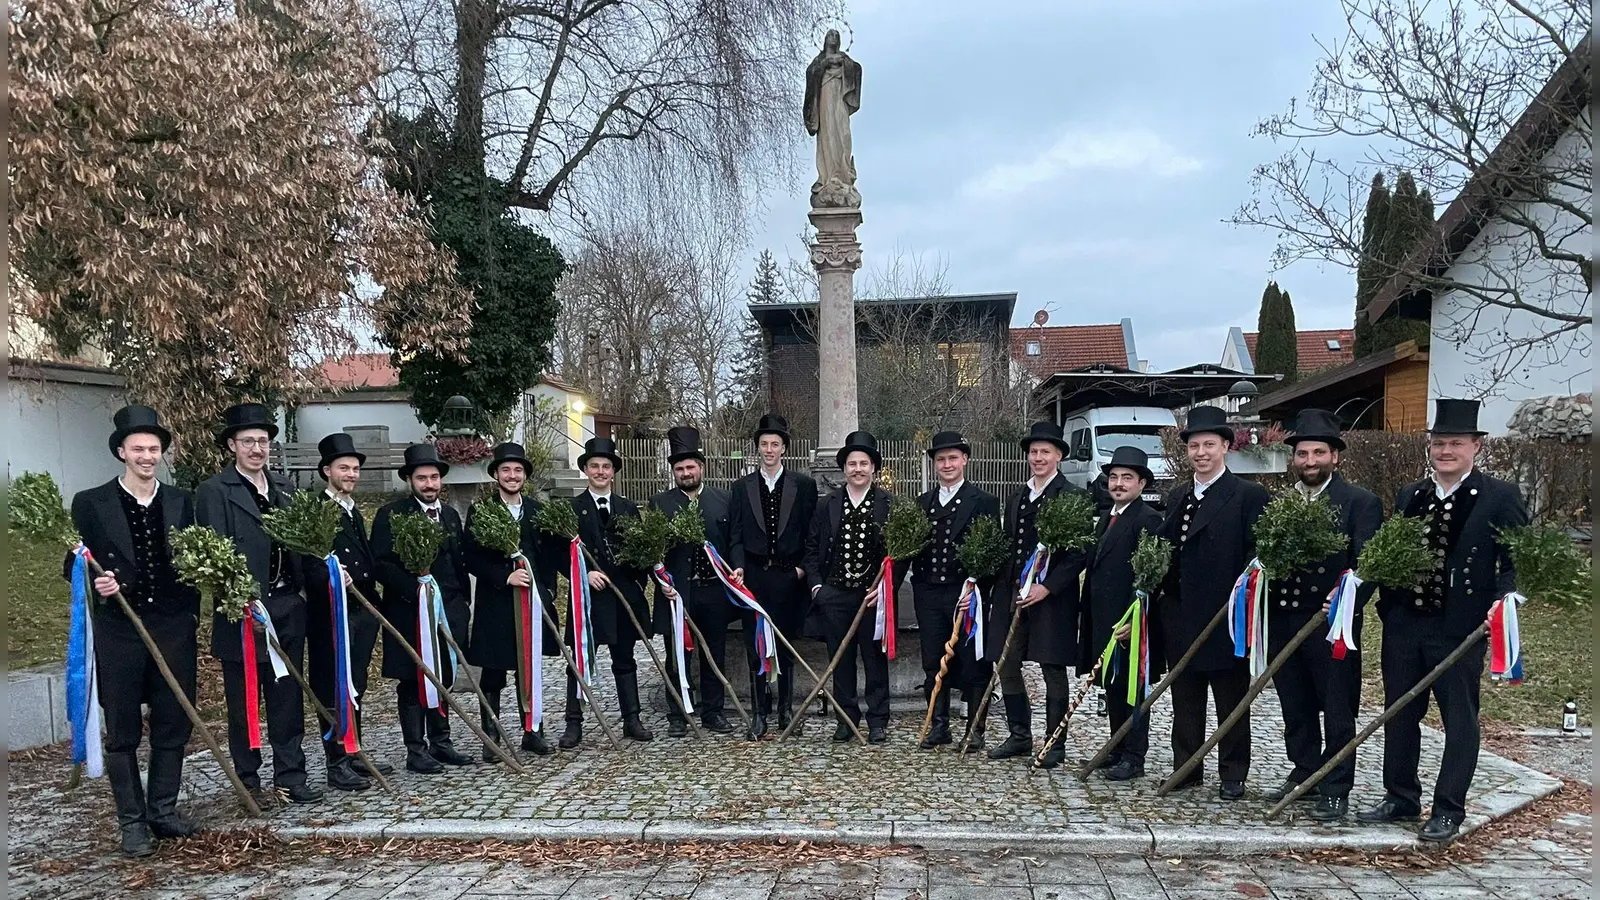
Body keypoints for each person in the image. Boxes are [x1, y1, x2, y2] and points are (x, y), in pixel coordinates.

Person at [1359, 399, 1527, 843]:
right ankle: (1401, 797)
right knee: (1399, 713)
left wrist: (1504, 598)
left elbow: (1515, 560)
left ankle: (1449, 808)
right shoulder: (1412, 495)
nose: (1445, 450)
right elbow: (1387, 556)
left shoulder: (1500, 496)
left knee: (1459, 718)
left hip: (1459, 627)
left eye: (1455, 442)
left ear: (1475, 446)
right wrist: (1373, 604)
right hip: (1404, 624)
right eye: (1438, 443)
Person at [65, 406, 203, 855]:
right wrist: (94, 580)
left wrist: (191, 614)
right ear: (121, 451)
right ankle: (132, 822)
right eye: (138, 448)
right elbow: (74, 562)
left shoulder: (185, 501)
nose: (147, 456)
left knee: (172, 720)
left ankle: (163, 811)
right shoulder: (91, 502)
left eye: (154, 449)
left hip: (173, 627)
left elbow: (201, 559)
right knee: (122, 728)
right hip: (119, 631)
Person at [196, 403, 322, 805]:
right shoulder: (215, 492)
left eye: (263, 441)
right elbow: (211, 553)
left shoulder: (285, 488)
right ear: (232, 445)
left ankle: (291, 774)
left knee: (287, 695)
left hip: (286, 605)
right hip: (242, 610)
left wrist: (301, 593)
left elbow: (303, 544)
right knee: (244, 698)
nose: (256, 449)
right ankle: (248, 779)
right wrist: (239, 598)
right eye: (248, 441)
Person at [1261, 410, 1382, 822]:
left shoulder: (1360, 502)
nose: (1309, 461)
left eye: (1318, 452)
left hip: (1332, 623)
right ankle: (1305, 771)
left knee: (1337, 706)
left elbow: (1368, 563)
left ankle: (1335, 785)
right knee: (1294, 703)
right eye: (1302, 453)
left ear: (1335, 456)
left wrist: (1347, 597)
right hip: (1284, 620)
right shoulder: (1282, 502)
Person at [1155, 405, 1270, 800]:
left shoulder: (1247, 495)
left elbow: (1255, 558)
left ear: (1225, 446)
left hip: (1225, 617)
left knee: (1230, 698)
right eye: (1194, 445)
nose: (1201, 452)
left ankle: (1233, 772)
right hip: (1181, 614)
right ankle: (1187, 767)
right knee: (1185, 697)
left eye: (1209, 444)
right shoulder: (1177, 497)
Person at [986, 421, 1090, 769]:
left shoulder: (1073, 496)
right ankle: (1019, 736)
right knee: (1007, 662)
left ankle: (1054, 743)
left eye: (1045, 452)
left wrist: (1048, 587)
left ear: (1059, 455)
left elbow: (1079, 553)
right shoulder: (1017, 496)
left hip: (1052, 599)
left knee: (1051, 667)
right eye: (1033, 452)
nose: (1038, 457)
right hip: (1014, 594)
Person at [371, 443, 474, 773]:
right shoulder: (392, 515)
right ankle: (416, 749)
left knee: (443, 674)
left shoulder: (451, 515)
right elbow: (382, 564)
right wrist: (415, 590)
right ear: (409, 480)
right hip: (409, 612)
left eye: (434, 478)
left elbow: (458, 561)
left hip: (449, 609)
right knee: (413, 678)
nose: (429, 484)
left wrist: (462, 602)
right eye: (421, 478)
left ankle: (441, 743)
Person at [303, 432, 391, 793]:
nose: (351, 474)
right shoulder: (317, 511)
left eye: (355, 469)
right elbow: (309, 562)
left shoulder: (352, 509)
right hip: (332, 614)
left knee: (355, 683)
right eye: (344, 468)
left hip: (362, 608)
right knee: (333, 685)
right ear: (327, 471)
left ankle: (352, 750)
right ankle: (336, 761)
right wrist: (333, 577)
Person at [462, 442, 561, 759]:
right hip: (497, 602)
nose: (512, 475)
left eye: (518, 470)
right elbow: (471, 558)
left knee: (529, 669)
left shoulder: (536, 510)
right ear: (496, 475)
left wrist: (547, 591)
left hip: (531, 603)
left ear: (525, 476)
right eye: (506, 469)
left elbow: (547, 556)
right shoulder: (482, 511)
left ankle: (533, 731)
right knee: (493, 670)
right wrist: (504, 576)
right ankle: (492, 737)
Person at [558, 437, 655, 748]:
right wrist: (583, 574)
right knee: (579, 660)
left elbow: (642, 552)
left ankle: (632, 719)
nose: (600, 471)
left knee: (625, 659)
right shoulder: (571, 510)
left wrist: (637, 584)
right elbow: (560, 554)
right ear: (586, 469)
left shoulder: (628, 508)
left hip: (622, 598)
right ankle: (574, 724)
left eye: (606, 466)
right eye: (594, 466)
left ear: (614, 471)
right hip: (587, 600)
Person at [804, 430, 900, 743]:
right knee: (840, 660)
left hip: (873, 597)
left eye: (864, 463)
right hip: (835, 595)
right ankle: (846, 718)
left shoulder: (890, 505)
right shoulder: (827, 504)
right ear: (844, 469)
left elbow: (901, 554)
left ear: (873, 467)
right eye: (852, 463)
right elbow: (812, 548)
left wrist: (885, 589)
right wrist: (818, 588)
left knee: (874, 659)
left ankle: (877, 720)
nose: (857, 469)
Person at [650, 426, 744, 737]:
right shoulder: (660, 504)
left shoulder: (723, 499)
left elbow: (734, 541)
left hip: (714, 591)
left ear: (701, 467)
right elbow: (653, 550)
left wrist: (738, 567)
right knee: (677, 654)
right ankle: (677, 713)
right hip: (676, 593)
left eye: (691, 467)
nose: (686, 473)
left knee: (713, 651)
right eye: (680, 468)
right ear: (673, 471)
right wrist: (659, 579)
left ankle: (713, 712)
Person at [909, 430, 1000, 750]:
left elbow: (992, 551)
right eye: (941, 459)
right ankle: (939, 726)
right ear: (934, 464)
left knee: (973, 662)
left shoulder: (985, 501)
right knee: (933, 661)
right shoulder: (923, 503)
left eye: (952, 458)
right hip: (929, 595)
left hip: (967, 595)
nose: (947, 464)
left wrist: (975, 585)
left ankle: (975, 728)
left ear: (965, 460)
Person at [727, 413, 818, 734]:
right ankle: (759, 714)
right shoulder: (741, 487)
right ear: (758, 449)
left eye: (775, 444)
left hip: (788, 577)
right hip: (753, 578)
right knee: (755, 647)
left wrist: (801, 570)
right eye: (764, 444)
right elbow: (735, 534)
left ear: (784, 449)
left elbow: (812, 534)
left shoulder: (803, 486)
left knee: (785, 646)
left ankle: (786, 712)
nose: (769, 449)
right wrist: (737, 565)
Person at [1078, 446, 1164, 781]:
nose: (1118, 483)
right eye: (1114, 477)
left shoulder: (1148, 520)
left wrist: (1135, 617)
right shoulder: (1107, 516)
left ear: (1141, 483)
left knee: (1133, 690)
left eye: (1127, 478)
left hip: (1131, 622)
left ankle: (1134, 755)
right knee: (1112, 686)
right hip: (1105, 618)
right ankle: (1117, 745)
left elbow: (1150, 576)